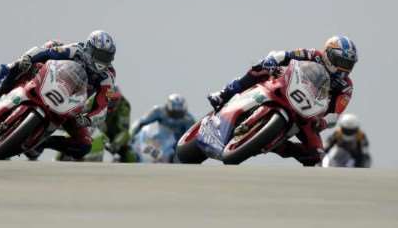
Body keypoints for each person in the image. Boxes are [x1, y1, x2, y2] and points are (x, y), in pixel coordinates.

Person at [207, 35, 358, 166]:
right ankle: (224, 94)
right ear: (329, 54)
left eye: (348, 65)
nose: (344, 69)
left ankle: (275, 145)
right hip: (286, 86)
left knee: (316, 156)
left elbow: (336, 114)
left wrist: (323, 122)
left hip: (307, 114)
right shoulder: (313, 55)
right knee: (260, 68)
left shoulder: (346, 87)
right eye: (341, 62)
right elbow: (285, 55)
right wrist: (272, 60)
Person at [0, 30, 117, 159]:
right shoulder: (76, 50)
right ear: (89, 48)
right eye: (100, 55)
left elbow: (103, 103)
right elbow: (48, 52)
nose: (102, 61)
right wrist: (29, 58)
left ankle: (43, 142)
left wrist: (87, 119)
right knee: (18, 67)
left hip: (71, 106)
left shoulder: (107, 77)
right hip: (50, 85)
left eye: (107, 58)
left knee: (84, 146)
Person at [56, 86, 136, 162]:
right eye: (109, 100)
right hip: (93, 125)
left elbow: (124, 131)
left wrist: (116, 144)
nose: (111, 104)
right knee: (74, 130)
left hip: (111, 133)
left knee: (129, 154)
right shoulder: (95, 99)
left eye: (115, 101)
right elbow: (80, 110)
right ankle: (61, 154)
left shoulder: (124, 106)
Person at [131, 94, 195, 141]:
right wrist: (131, 136)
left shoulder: (189, 120)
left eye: (179, 111)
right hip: (157, 140)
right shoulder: (158, 111)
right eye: (174, 111)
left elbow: (191, 138)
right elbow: (142, 122)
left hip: (175, 148)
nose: (176, 113)